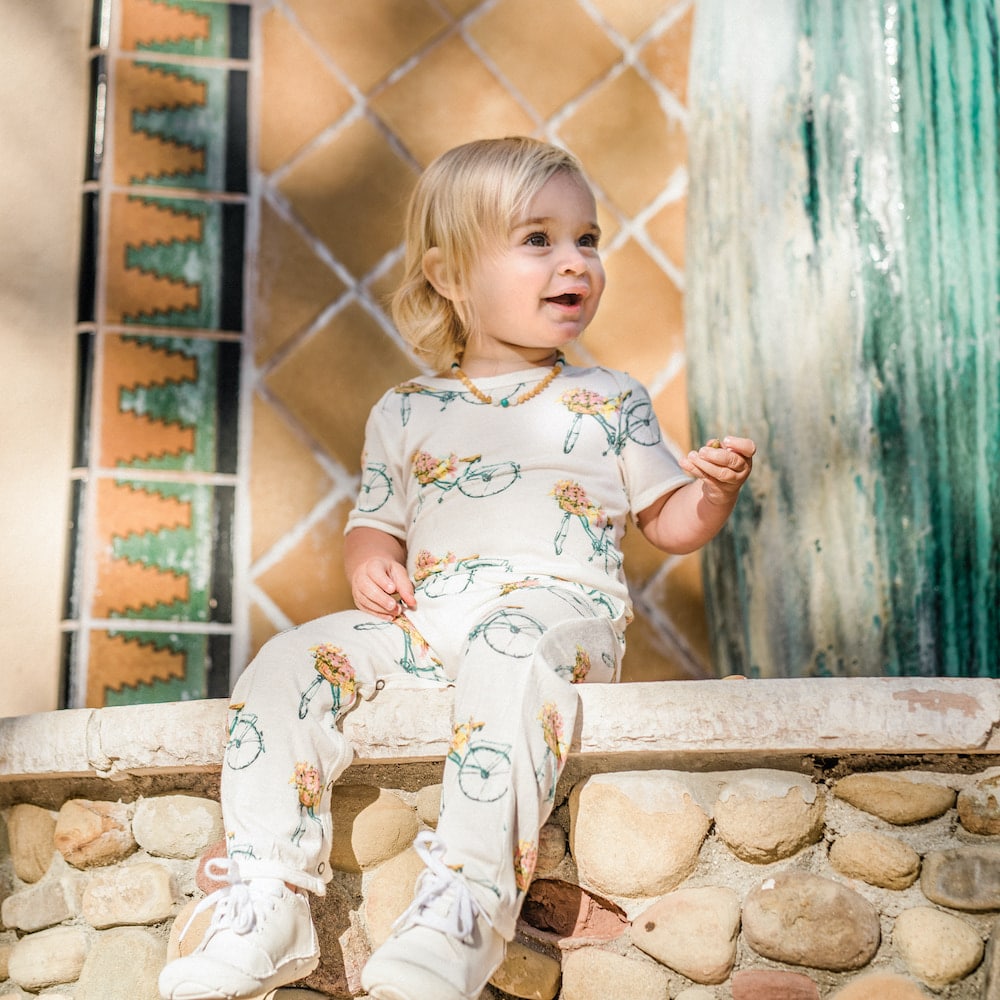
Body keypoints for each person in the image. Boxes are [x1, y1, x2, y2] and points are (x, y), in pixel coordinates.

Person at [158, 136, 755, 1000]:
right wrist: (372, 565)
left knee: (509, 646)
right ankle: (271, 897)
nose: (575, 261)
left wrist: (714, 494)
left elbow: (669, 521)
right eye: (538, 239)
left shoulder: (610, 399)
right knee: (289, 657)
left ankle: (465, 907)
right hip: (431, 624)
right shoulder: (406, 410)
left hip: (556, 617)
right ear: (448, 274)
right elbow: (374, 524)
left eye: (587, 239)